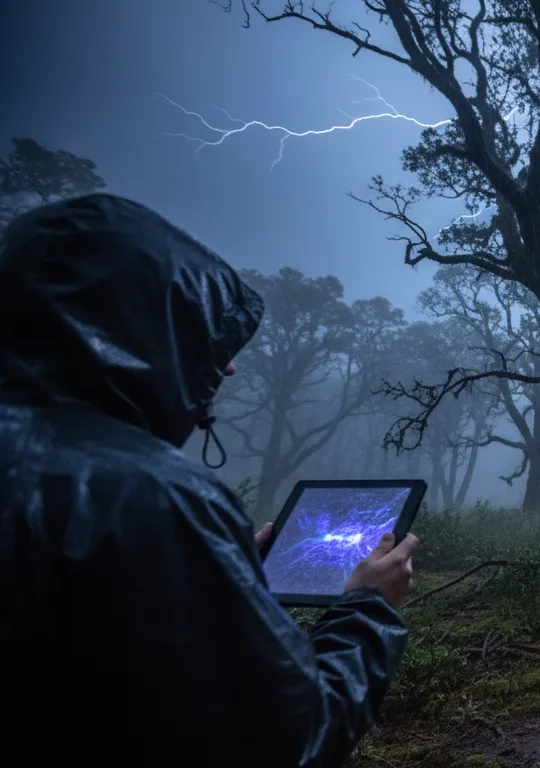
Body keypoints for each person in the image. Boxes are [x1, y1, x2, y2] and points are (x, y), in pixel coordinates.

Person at [0, 194, 420, 766]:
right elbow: (292, 737)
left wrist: (207, 575)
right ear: (143, 331)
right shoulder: (158, 496)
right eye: (204, 341)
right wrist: (368, 605)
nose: (228, 367)